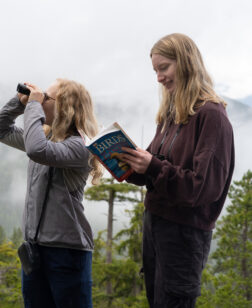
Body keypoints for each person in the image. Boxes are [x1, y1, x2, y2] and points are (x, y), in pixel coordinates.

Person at [121, 33, 235, 308]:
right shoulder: (172, 114)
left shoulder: (212, 116)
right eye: (155, 70)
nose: (159, 77)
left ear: (185, 63)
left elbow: (201, 188)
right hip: (156, 226)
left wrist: (152, 166)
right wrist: (124, 162)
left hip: (185, 235)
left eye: (164, 68)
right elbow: (154, 168)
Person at [0, 78, 102, 308]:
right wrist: (19, 103)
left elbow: (36, 150)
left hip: (67, 254)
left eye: (46, 98)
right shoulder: (46, 138)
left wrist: (32, 106)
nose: (41, 102)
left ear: (65, 106)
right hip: (35, 251)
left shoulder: (79, 147)